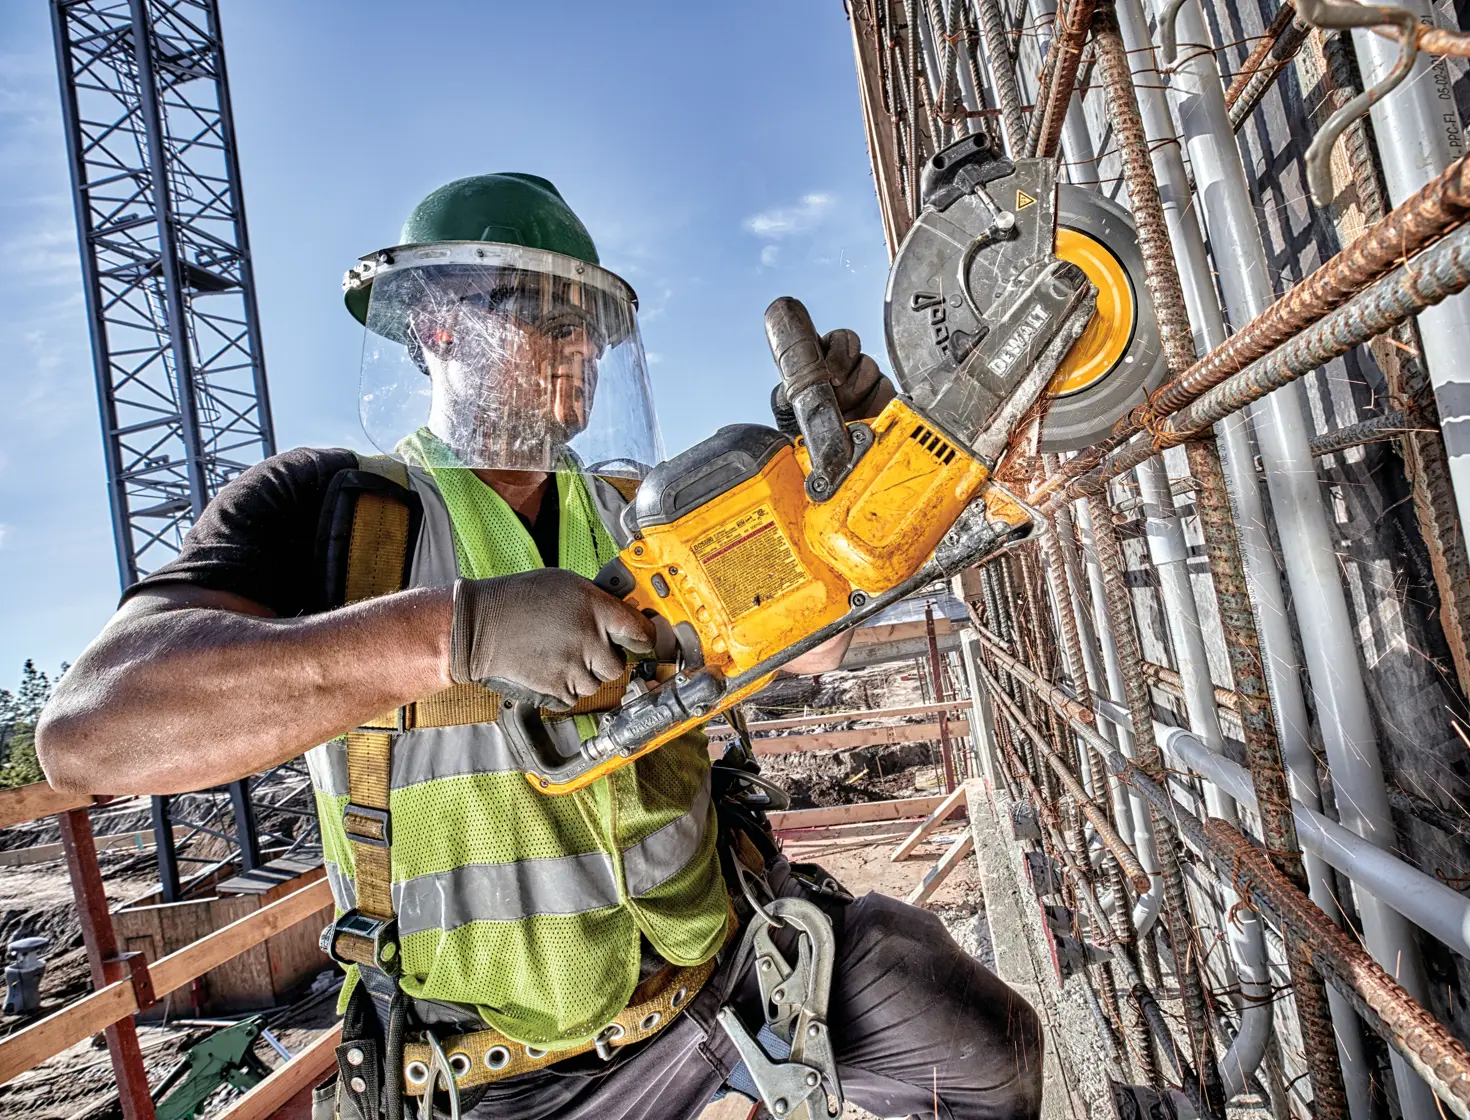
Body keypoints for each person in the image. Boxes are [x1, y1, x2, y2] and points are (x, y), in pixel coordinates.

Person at [37, 173, 1042, 1120]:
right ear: (438, 326)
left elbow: (814, 650)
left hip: (725, 972)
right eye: (546, 318)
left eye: (592, 329)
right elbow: (90, 735)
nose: (581, 350)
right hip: (495, 1072)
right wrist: (454, 632)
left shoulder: (640, 517)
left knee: (985, 1051)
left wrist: (866, 497)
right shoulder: (337, 514)